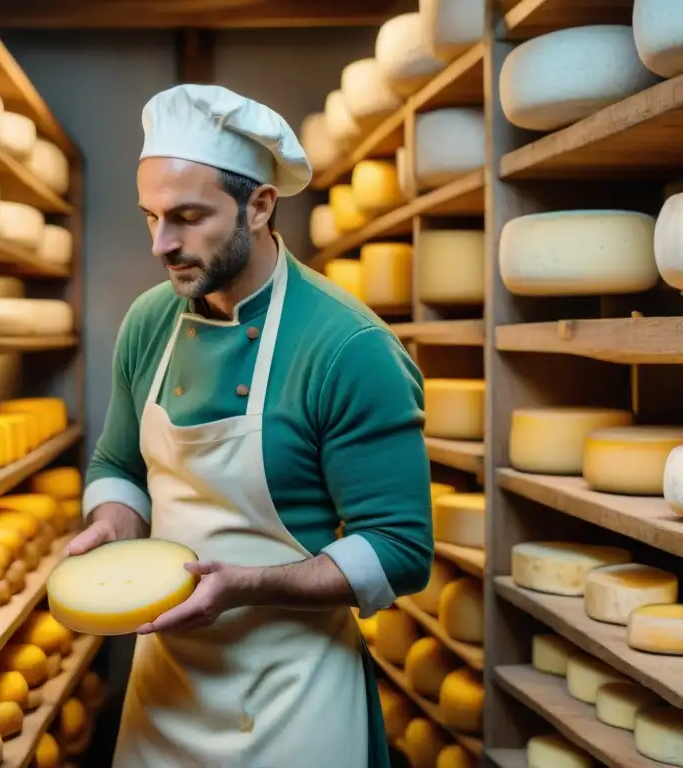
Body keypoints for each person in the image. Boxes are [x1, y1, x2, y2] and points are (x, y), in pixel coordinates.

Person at [67, 83, 433, 768]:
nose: (160, 243)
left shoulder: (348, 347)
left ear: (261, 205)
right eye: (150, 216)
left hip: (295, 697)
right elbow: (119, 467)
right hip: (166, 689)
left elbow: (399, 549)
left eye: (187, 217)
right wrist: (114, 524)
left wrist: (251, 584)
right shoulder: (150, 321)